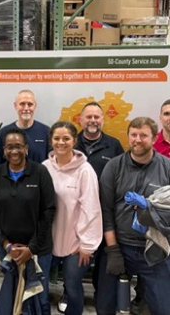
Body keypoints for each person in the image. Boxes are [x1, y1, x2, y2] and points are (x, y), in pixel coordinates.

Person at [96, 117, 170, 315]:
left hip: (154, 247)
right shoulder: (113, 166)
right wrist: (112, 249)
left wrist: (152, 211)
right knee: (104, 307)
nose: (138, 140)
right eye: (134, 135)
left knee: (163, 308)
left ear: (154, 138)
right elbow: (106, 209)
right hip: (120, 245)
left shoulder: (167, 167)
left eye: (144, 135)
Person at [57, 102, 124, 313]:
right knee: (73, 264)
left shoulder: (114, 146)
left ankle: (100, 295)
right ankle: (69, 293)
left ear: (102, 120)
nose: (93, 121)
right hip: (74, 217)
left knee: (101, 263)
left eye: (97, 117)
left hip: (104, 215)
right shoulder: (70, 143)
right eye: (89, 117)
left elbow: (121, 178)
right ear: (81, 119)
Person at [0, 128, 55, 314]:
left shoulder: (40, 172)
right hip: (8, 249)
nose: (14, 151)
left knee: (39, 296)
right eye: (9, 147)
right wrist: (6, 244)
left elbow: (48, 211)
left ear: (26, 148)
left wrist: (31, 248)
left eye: (18, 146)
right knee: (11, 296)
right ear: (3, 150)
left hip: (39, 249)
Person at [43, 121, 103, 315]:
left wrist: (88, 244)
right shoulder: (44, 168)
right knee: (40, 286)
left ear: (74, 141)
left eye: (66, 138)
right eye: (57, 138)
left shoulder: (85, 171)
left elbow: (92, 208)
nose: (61, 142)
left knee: (72, 286)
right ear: (51, 141)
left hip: (76, 244)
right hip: (47, 241)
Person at [0, 89, 50, 166]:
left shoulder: (46, 132)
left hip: (40, 178)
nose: (26, 108)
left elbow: (51, 164)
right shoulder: (4, 133)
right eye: (22, 104)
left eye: (30, 104)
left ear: (35, 106)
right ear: (15, 106)